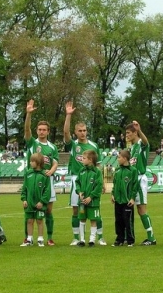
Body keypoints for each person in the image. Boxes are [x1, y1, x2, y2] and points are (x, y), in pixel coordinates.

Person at [63, 101, 104, 245]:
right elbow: (66, 133)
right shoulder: (73, 145)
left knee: (95, 210)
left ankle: (100, 237)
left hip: (92, 180)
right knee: (76, 210)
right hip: (77, 179)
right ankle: (76, 238)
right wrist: (68, 116)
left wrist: (102, 182)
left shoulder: (93, 146)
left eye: (84, 130)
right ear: (76, 132)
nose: (82, 133)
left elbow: (98, 166)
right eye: (80, 130)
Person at [24, 100, 59, 245]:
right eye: (39, 129)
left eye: (44, 129)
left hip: (46, 180)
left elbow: (56, 161)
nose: (41, 132)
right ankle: (28, 238)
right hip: (32, 180)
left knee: (48, 210)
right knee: (29, 211)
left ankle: (49, 237)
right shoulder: (32, 143)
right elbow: (26, 130)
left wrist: (51, 170)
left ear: (48, 131)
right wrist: (28, 114)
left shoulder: (52, 147)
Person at [125, 121, 157, 245]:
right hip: (132, 179)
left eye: (128, 133)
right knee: (132, 208)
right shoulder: (132, 147)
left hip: (140, 179)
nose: (126, 135)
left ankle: (151, 238)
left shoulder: (140, 144)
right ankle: (130, 236)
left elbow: (146, 142)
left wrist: (140, 130)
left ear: (135, 133)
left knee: (141, 208)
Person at [20, 152, 51, 247]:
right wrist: (24, 199)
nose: (30, 163)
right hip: (29, 202)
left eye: (32, 161)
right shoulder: (28, 173)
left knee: (39, 220)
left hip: (40, 203)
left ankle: (40, 239)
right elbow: (24, 187)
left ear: (38, 162)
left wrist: (42, 201)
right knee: (29, 220)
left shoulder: (45, 175)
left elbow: (47, 190)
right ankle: (29, 239)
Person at [75, 150, 103, 247]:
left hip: (93, 202)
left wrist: (91, 197)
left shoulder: (97, 172)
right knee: (82, 219)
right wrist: (79, 192)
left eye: (84, 158)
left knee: (93, 220)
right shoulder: (81, 171)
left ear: (90, 160)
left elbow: (99, 186)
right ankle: (82, 240)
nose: (82, 160)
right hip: (82, 202)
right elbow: (77, 182)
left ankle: (92, 240)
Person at [111, 150, 138, 247]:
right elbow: (114, 184)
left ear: (125, 158)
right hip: (118, 199)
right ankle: (119, 239)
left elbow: (135, 185)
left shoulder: (133, 170)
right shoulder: (117, 170)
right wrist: (112, 194)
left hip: (127, 201)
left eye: (119, 157)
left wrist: (132, 198)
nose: (117, 159)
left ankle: (130, 240)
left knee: (128, 221)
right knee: (118, 220)